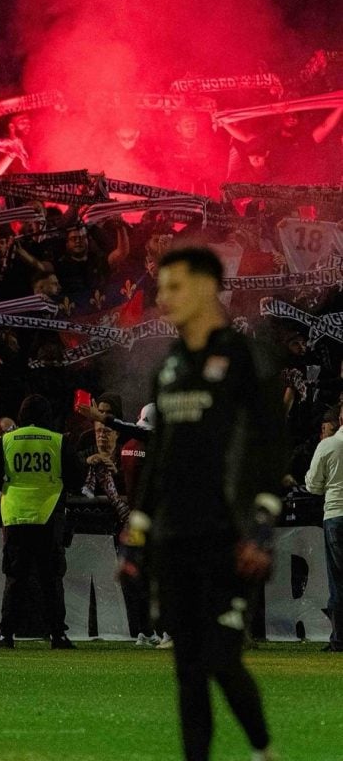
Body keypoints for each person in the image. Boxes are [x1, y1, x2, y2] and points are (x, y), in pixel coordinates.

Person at [123, 246, 285, 761]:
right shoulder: (169, 366)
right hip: (173, 537)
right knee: (188, 667)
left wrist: (261, 527)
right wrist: (138, 531)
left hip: (227, 536)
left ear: (206, 287)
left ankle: (263, 750)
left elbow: (269, 446)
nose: (162, 298)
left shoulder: (245, 356)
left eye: (173, 286)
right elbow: (159, 458)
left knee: (221, 657)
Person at [0, 393, 84, 649]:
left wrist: (10, 484)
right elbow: (78, 476)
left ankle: (6, 635)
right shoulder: (57, 441)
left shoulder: (7, 440)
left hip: (16, 516)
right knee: (51, 578)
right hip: (49, 515)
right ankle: (57, 635)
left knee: (15, 577)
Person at [305, 400, 343, 652]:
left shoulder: (328, 446)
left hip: (337, 515)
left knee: (338, 581)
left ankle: (339, 639)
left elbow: (313, 485)